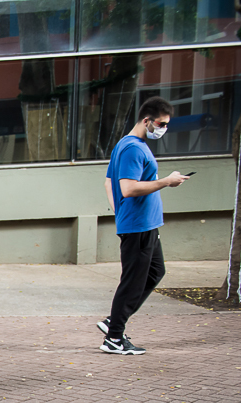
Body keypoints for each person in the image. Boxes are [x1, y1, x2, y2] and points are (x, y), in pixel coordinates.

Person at [99, 96, 189, 356]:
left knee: (154, 273)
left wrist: (119, 213)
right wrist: (166, 181)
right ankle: (114, 338)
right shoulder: (133, 149)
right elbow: (127, 188)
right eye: (161, 123)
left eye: (167, 124)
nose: (163, 128)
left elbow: (109, 183)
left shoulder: (127, 145)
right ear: (147, 120)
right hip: (138, 226)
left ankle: (113, 321)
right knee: (133, 282)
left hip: (144, 224)